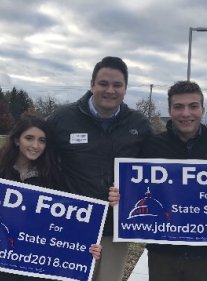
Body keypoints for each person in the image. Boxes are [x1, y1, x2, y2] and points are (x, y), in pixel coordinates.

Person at [109, 80, 207, 281]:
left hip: (205, 254)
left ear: (203, 109)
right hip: (162, 254)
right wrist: (120, 195)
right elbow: (136, 189)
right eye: (178, 107)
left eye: (193, 106)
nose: (186, 113)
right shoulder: (152, 146)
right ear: (170, 109)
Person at [47, 56, 153, 281]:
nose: (110, 90)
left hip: (115, 227)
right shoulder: (62, 118)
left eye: (117, 85)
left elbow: (159, 167)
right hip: (71, 224)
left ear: (125, 89)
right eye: (104, 83)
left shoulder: (138, 124)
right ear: (92, 84)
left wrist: (206, 135)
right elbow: (32, 149)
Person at [0, 114, 101, 281]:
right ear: (17, 140)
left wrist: (86, 244)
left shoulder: (55, 177)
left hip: (36, 267)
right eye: (29, 138)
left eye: (42, 140)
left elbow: (69, 223)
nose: (36, 145)